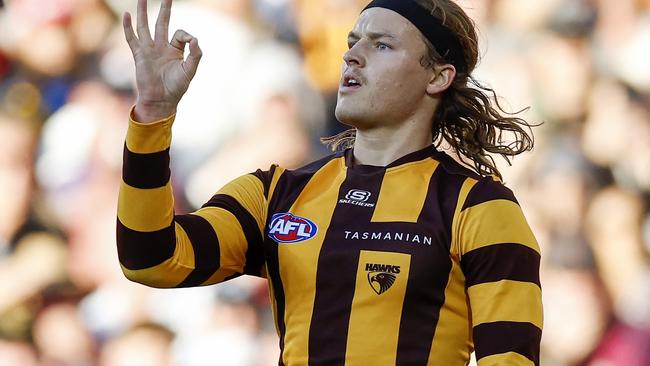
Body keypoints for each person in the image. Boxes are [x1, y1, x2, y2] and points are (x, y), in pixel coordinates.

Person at [117, 0, 542, 364]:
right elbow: (150, 259)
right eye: (353, 43)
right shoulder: (276, 193)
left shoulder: (481, 206)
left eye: (382, 45)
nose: (352, 56)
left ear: (437, 76)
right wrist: (152, 117)